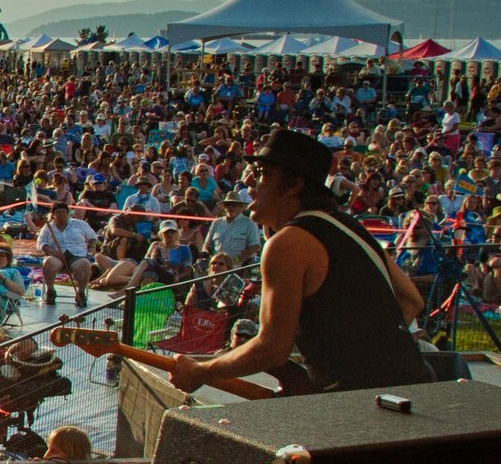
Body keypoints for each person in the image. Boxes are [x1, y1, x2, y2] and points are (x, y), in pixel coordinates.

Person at [170, 127, 431, 397]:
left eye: (262, 174)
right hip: (413, 389)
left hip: (363, 408)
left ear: (294, 185)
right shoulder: (348, 226)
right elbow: (412, 300)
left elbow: (271, 349)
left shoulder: (287, 244)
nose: (247, 181)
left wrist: (200, 371)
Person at [36, 200, 97, 307]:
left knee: (85, 265)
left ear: (68, 213)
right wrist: (53, 252)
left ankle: (81, 293)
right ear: (53, 215)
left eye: (63, 212)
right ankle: (50, 291)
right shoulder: (48, 227)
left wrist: (91, 249)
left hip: (77, 254)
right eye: (58, 212)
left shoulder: (80, 224)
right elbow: (41, 244)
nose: (61, 214)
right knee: (48, 263)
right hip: (57, 256)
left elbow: (92, 237)